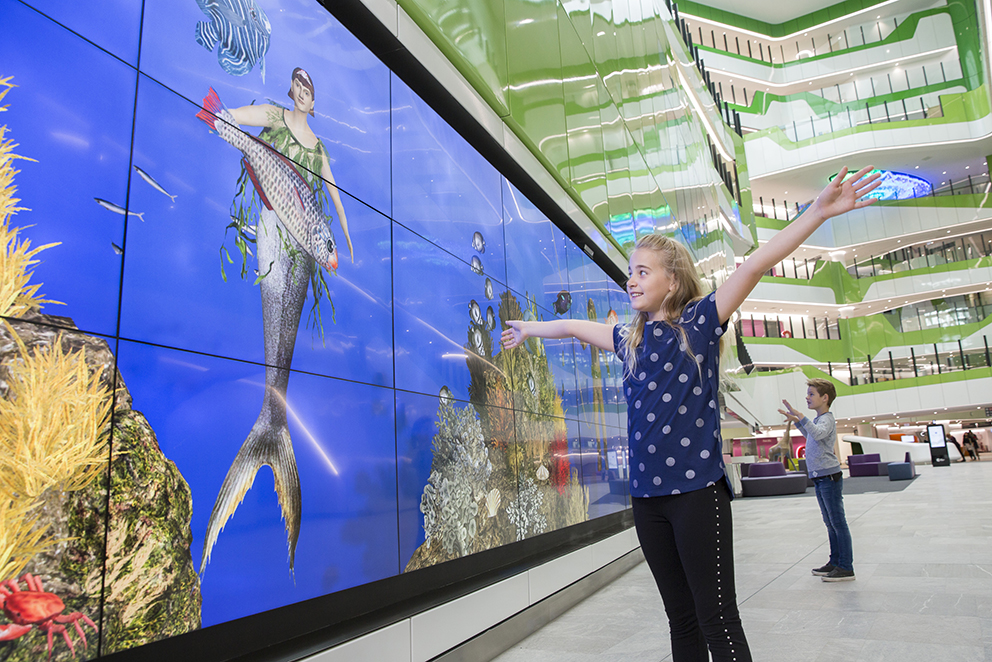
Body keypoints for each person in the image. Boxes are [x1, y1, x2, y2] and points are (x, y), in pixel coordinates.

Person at [501, 167, 881, 660]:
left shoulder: (700, 323)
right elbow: (575, 327)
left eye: (643, 271)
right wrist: (531, 328)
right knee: (680, 622)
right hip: (647, 499)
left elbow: (754, 265)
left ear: (672, 278)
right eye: (630, 271)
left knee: (716, 620)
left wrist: (818, 211)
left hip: (696, 495)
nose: (631, 280)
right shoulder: (629, 339)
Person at [229, 67, 353, 262]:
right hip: (272, 214)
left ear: (313, 101)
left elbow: (336, 198)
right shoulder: (276, 116)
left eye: (307, 92)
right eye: (298, 86)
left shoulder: (317, 149)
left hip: (301, 229)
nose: (301, 94)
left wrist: (345, 234)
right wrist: (219, 117)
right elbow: (235, 115)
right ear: (291, 87)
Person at [779, 379, 855, 582]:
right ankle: (835, 562)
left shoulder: (827, 419)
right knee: (830, 522)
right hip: (820, 477)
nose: (807, 397)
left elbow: (819, 433)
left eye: (811, 394)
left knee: (838, 522)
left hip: (829, 476)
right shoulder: (819, 419)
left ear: (825, 398)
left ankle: (846, 567)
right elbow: (811, 436)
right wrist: (797, 421)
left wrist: (802, 417)